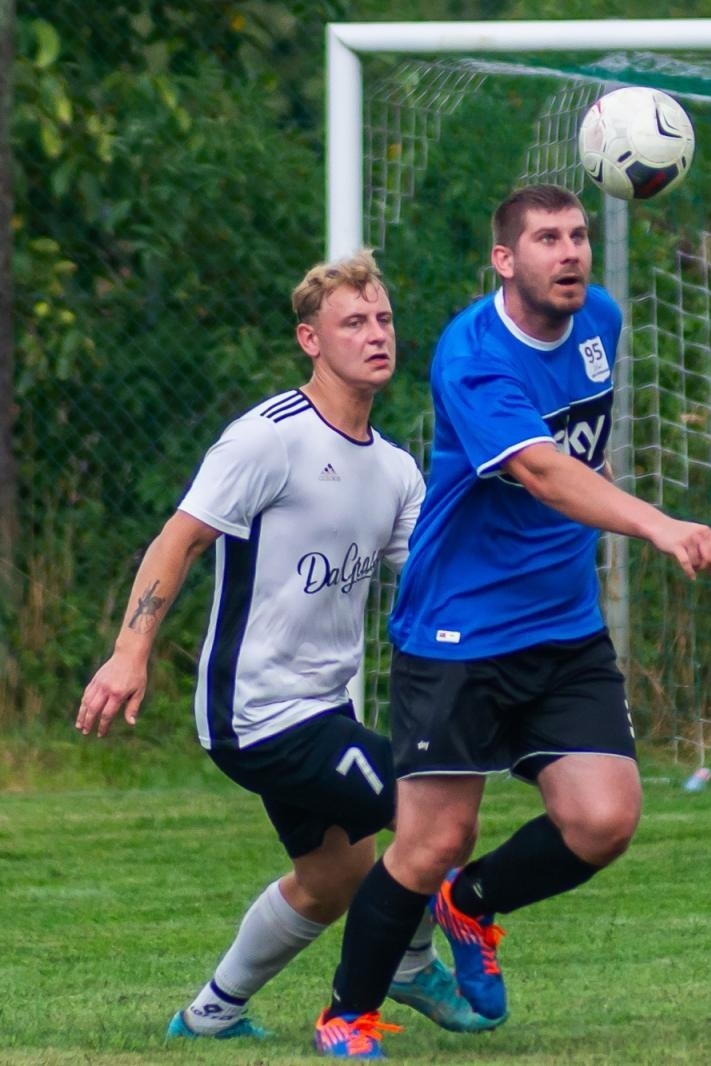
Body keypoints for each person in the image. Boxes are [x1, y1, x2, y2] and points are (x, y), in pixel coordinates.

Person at [309, 184, 711, 1059]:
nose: (570, 252)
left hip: (563, 624)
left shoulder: (600, 320)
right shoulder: (472, 353)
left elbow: (583, 446)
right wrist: (656, 523)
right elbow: (540, 470)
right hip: (461, 628)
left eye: (578, 235)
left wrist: (607, 501)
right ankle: (346, 1013)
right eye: (547, 239)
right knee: (432, 838)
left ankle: (474, 905)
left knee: (604, 821)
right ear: (506, 260)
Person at [75, 250, 495, 1042]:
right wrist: (129, 653)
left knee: (332, 879)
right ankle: (396, 972)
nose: (376, 336)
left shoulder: (397, 470)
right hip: (257, 710)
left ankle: (209, 1015)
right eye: (353, 323)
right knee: (424, 815)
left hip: (321, 706)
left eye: (383, 320)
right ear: (311, 339)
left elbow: (438, 578)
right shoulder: (269, 439)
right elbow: (179, 538)